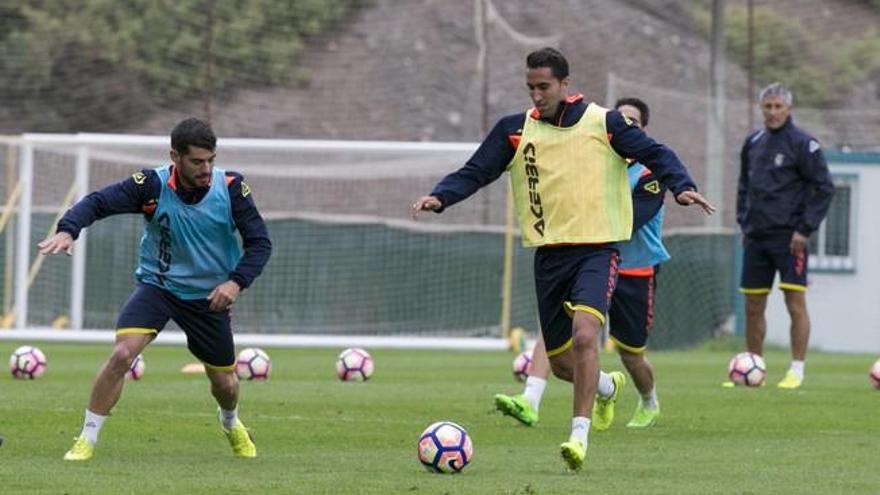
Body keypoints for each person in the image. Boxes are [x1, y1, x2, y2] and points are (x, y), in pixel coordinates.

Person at [412, 48, 713, 470]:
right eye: (531, 87)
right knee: (561, 363)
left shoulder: (604, 123)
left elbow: (657, 153)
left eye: (544, 86)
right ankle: (607, 387)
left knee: (588, 335)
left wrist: (681, 186)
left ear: (565, 84)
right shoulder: (515, 130)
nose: (537, 95)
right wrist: (440, 196)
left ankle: (579, 437)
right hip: (549, 257)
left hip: (597, 250)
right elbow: (477, 170)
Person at [38, 117, 272, 461]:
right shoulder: (150, 184)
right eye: (197, 161)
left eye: (211, 160)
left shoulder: (233, 189)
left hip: (209, 298)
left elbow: (260, 244)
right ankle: (86, 439)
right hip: (158, 287)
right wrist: (68, 229)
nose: (206, 168)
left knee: (225, 383)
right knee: (121, 355)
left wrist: (235, 283)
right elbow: (99, 202)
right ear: (175, 156)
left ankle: (230, 421)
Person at [494, 97, 668, 430]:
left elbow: (628, 220)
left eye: (634, 122)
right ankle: (530, 399)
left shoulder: (650, 173)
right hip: (590, 260)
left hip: (633, 271)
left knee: (631, 354)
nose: (627, 126)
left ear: (643, 130)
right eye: (622, 120)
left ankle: (648, 401)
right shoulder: (594, 160)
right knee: (558, 327)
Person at [735, 82, 834, 390]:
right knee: (753, 304)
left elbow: (824, 188)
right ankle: (755, 366)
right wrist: (744, 223)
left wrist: (804, 229)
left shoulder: (804, 144)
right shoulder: (753, 142)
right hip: (756, 237)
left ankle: (796, 369)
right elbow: (743, 187)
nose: (773, 112)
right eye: (768, 106)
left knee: (794, 301)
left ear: (789, 109)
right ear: (761, 109)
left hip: (790, 239)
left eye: (779, 106)